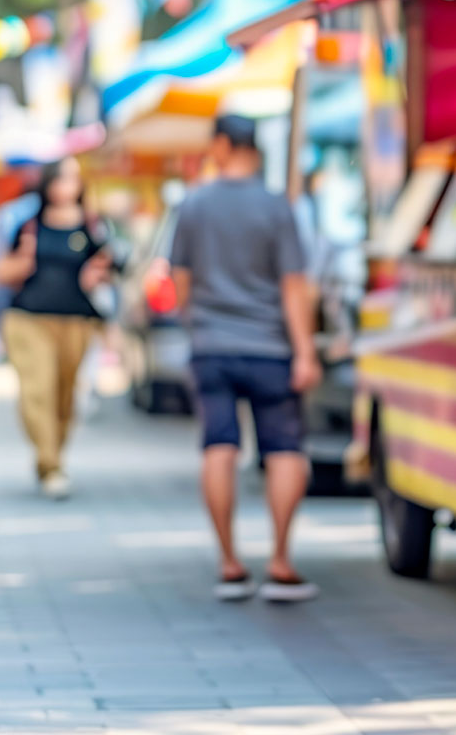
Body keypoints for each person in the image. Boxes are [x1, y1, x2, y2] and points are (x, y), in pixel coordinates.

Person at [171, 114, 320, 603]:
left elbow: (180, 280)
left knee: (218, 446)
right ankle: (280, 560)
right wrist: (304, 351)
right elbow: (293, 284)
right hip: (270, 348)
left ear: (221, 144)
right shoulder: (277, 208)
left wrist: (197, 322)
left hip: (211, 345)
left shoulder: (193, 205)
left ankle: (229, 562)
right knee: (282, 449)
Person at [0, 157, 111, 500]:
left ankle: (53, 455)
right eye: (60, 180)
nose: (66, 187)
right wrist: (24, 262)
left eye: (72, 180)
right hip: (29, 319)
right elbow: (0, 271)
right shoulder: (28, 224)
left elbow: (109, 263)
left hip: (75, 320)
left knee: (64, 396)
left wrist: (97, 274)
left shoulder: (91, 225)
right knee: (38, 388)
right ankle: (50, 462)